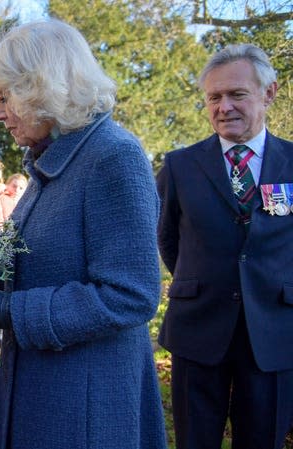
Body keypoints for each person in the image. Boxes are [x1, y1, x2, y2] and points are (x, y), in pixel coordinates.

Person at [0, 19, 167, 449]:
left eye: (4, 98)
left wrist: (10, 311)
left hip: (85, 402)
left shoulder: (113, 157)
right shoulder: (53, 162)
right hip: (49, 386)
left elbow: (131, 294)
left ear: (43, 87)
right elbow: (39, 263)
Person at [157, 43, 293, 449]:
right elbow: (167, 239)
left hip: (273, 332)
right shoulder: (180, 165)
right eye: (214, 97)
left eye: (237, 94)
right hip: (197, 330)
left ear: (268, 94)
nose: (224, 107)